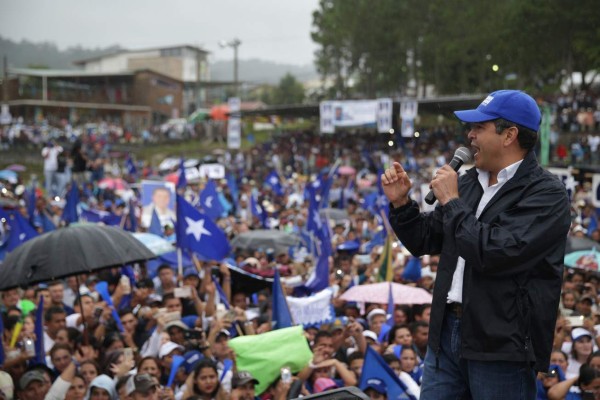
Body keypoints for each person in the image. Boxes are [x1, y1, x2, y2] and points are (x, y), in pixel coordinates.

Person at [381, 89, 572, 399]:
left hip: (501, 344)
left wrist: (453, 202)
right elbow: (425, 239)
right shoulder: (469, 182)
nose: (469, 136)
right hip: (445, 335)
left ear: (509, 134)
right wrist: (402, 205)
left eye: (478, 128)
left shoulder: (547, 194)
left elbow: (497, 252)